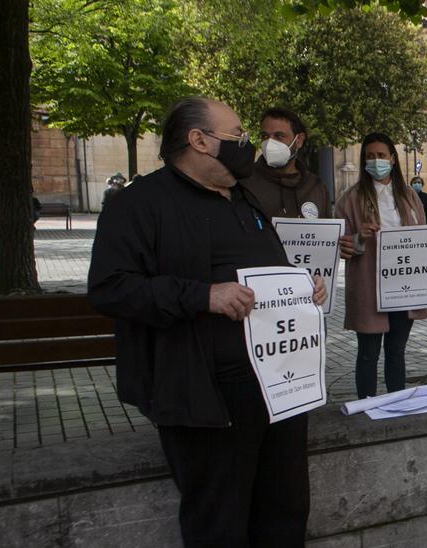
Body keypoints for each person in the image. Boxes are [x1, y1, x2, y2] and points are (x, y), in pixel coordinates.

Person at [88, 96, 328, 546]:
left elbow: (268, 270)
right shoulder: (140, 203)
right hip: (206, 398)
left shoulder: (243, 197)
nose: (247, 144)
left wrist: (301, 288)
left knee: (285, 511)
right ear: (199, 140)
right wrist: (202, 296)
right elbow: (110, 288)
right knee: (220, 523)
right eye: (236, 135)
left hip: (278, 390)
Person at [336, 133, 427, 398]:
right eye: (370, 156)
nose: (376, 161)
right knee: (368, 353)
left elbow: (420, 240)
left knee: (396, 350)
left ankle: (398, 402)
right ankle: (367, 407)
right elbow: (342, 245)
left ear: (393, 159)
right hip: (368, 287)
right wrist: (360, 237)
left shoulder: (408, 196)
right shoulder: (350, 198)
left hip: (402, 288)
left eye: (381, 155)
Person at [241, 107, 330, 219]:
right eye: (265, 136)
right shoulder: (245, 183)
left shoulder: (315, 187)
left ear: (299, 141)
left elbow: (326, 232)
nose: (269, 143)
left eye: (279, 136)